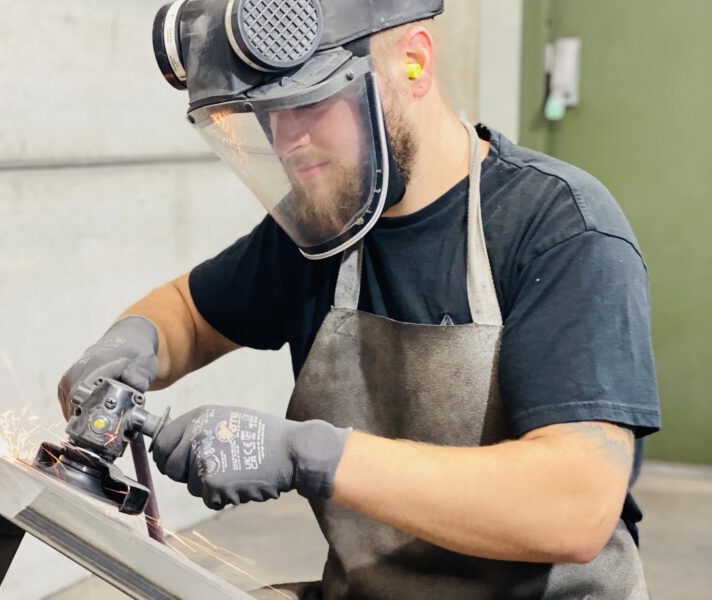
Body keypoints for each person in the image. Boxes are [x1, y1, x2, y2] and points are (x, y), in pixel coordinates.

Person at [59, 1, 661, 597]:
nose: (288, 142)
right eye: (266, 115)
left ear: (414, 63)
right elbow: (190, 315)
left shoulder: (560, 227)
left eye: (310, 103)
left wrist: (306, 453)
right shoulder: (323, 224)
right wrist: (132, 341)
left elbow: (573, 507)